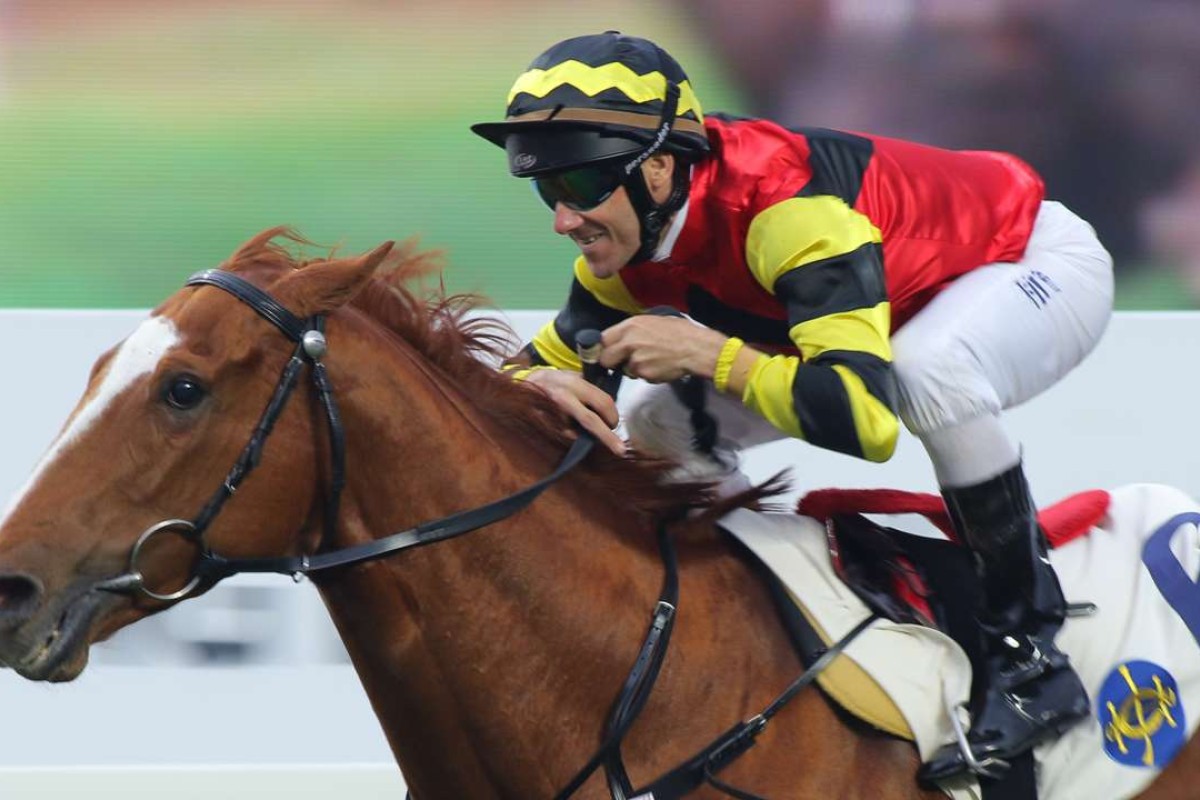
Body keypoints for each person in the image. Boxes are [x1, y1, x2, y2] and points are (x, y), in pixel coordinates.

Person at [471, 31, 1112, 781]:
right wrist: (528, 389)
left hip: (1030, 260)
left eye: (580, 189)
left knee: (926, 369)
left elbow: (866, 424)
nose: (562, 221)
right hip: (889, 311)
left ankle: (1031, 658)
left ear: (659, 170)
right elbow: (530, 374)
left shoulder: (789, 211)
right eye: (548, 192)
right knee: (658, 422)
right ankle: (738, 626)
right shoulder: (629, 249)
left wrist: (712, 355)